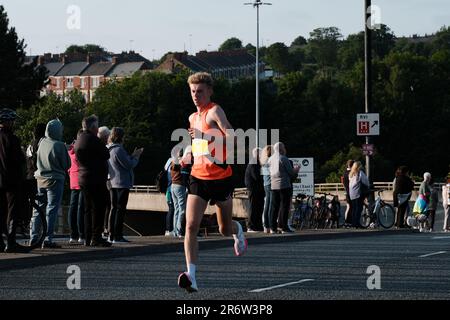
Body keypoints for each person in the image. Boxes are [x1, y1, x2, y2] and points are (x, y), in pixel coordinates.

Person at [178, 72, 247, 293]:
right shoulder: (192, 117)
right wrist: (191, 155)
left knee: (224, 228)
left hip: (221, 178)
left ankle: (238, 229)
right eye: (192, 91)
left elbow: (234, 137)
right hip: (198, 177)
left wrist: (205, 137)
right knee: (189, 226)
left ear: (209, 91)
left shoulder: (214, 111)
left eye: (199, 91)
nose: (195, 95)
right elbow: (200, 146)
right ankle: (192, 276)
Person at [32, 119, 71, 248]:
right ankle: (47, 239)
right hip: (55, 179)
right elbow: (67, 165)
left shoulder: (42, 142)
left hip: (40, 179)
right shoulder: (59, 145)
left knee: (38, 209)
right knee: (52, 209)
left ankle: (34, 237)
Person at [75, 115, 111, 247]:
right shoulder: (93, 139)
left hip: (83, 177)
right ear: (93, 127)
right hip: (95, 178)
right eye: (96, 126)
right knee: (98, 208)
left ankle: (87, 237)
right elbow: (106, 154)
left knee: (87, 209)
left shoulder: (80, 139)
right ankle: (97, 237)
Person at [107, 127, 143, 243]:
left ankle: (111, 234)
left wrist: (131, 155)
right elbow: (129, 164)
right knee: (120, 210)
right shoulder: (118, 150)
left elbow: (122, 161)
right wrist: (136, 157)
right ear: (121, 137)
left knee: (113, 209)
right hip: (121, 183)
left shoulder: (109, 149)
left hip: (112, 182)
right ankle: (117, 235)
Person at [0, 108, 28, 253]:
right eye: (12, 120)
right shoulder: (12, 139)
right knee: (12, 211)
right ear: (8, 122)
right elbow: (18, 160)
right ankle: (11, 242)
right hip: (11, 180)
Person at [268, 142, 300, 234]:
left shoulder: (270, 159)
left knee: (274, 207)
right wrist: (296, 170)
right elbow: (291, 173)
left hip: (273, 186)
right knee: (284, 207)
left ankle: (272, 228)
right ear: (281, 149)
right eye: (284, 147)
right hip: (284, 185)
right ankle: (283, 227)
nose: (285, 149)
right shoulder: (283, 158)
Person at [67, 130, 85, 244]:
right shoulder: (81, 149)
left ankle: (72, 235)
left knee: (72, 207)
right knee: (80, 208)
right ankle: (81, 234)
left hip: (72, 179)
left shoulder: (70, 150)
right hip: (82, 178)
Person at [245, 147, 264, 232]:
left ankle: (258, 226)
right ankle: (251, 226)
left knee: (258, 208)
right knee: (253, 207)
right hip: (254, 189)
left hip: (257, 189)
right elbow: (256, 176)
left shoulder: (256, 163)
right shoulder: (254, 163)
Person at [98, 126, 111, 238]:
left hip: (102, 178)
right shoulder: (105, 148)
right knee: (107, 205)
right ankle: (105, 228)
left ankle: (103, 227)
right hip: (107, 179)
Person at [348, 161, 369, 228]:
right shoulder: (360, 173)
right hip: (358, 193)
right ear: (359, 166)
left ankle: (353, 223)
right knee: (359, 209)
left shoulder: (351, 174)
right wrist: (368, 186)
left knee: (354, 209)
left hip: (352, 194)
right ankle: (357, 223)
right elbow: (365, 181)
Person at [260, 145, 273, 234]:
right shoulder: (271, 161)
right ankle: (271, 226)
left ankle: (266, 226)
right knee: (271, 205)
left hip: (266, 184)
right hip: (271, 184)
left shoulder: (263, 161)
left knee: (267, 205)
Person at [342, 160, 354, 227]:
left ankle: (346, 221)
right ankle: (348, 221)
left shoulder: (344, 172)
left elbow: (343, 182)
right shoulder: (351, 173)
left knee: (348, 207)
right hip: (351, 192)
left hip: (346, 192)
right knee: (351, 207)